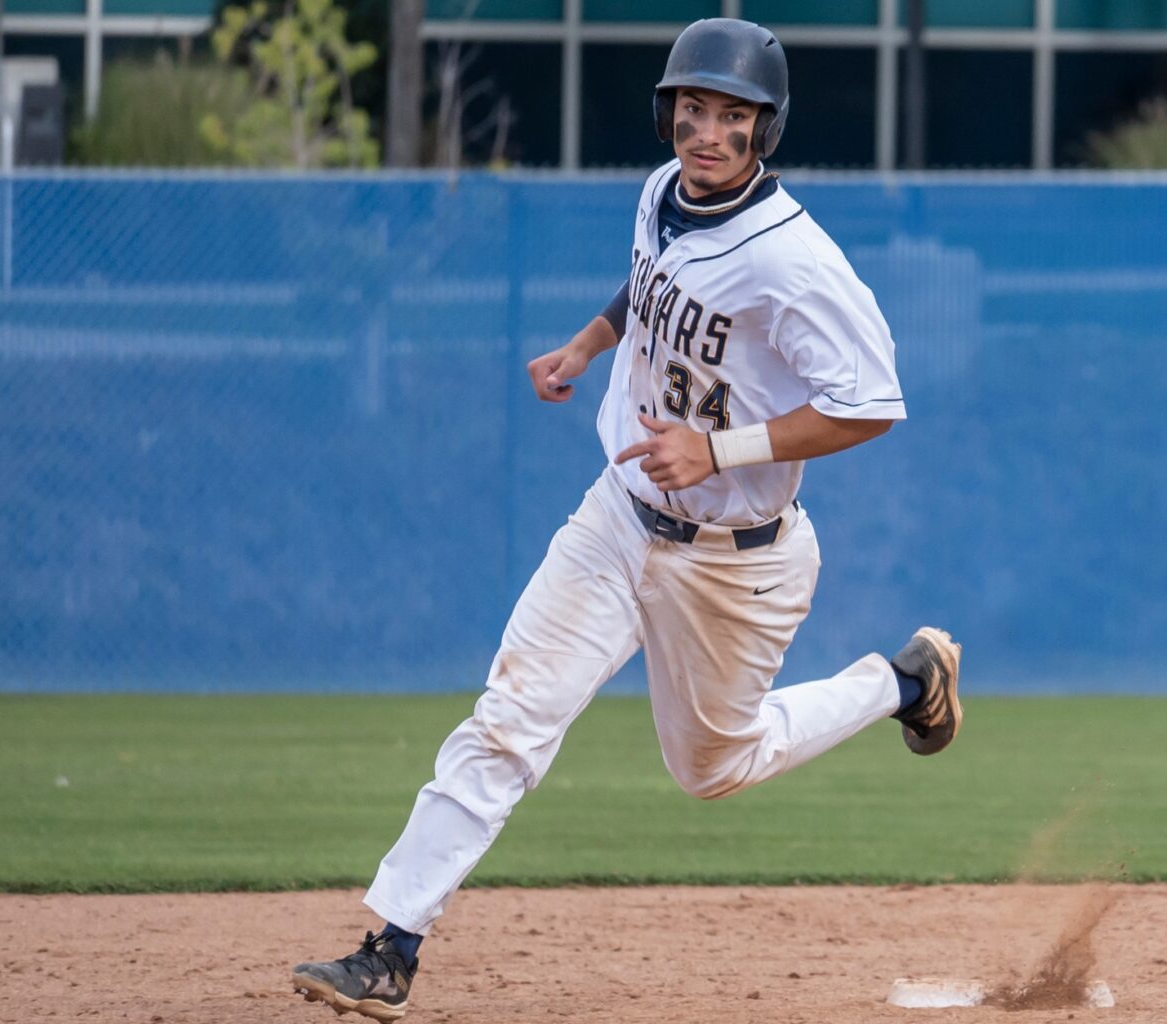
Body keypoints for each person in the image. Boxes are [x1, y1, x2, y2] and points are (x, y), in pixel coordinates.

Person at [289, 18, 962, 1023]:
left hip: (737, 563)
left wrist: (721, 449)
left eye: (732, 115)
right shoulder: (659, 192)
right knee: (509, 719)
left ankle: (903, 680)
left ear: (762, 130)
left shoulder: (796, 260)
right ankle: (390, 945)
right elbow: (651, 284)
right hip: (620, 517)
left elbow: (871, 402)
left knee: (713, 768)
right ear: (669, 111)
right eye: (693, 107)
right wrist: (587, 345)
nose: (707, 129)